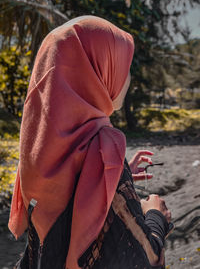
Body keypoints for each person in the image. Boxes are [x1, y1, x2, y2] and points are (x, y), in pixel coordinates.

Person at [9, 15, 171, 269]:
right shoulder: (102, 147)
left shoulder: (37, 150)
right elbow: (144, 257)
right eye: (120, 66)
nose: (126, 78)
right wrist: (155, 215)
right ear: (93, 72)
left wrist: (109, 176)